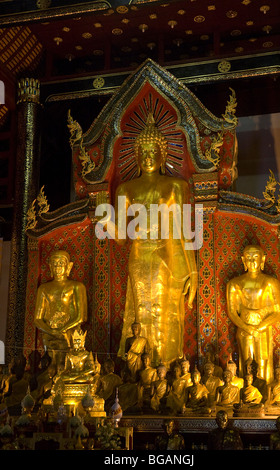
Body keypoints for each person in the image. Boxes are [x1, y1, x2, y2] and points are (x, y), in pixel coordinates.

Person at [100, 113, 198, 367]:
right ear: (135, 155)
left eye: (153, 151)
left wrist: (193, 271)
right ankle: (140, 367)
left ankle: (164, 366)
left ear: (163, 154)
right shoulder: (126, 189)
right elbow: (122, 238)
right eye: (142, 152)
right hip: (140, 253)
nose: (147, 157)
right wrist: (104, 220)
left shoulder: (175, 186)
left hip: (168, 254)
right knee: (142, 311)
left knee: (165, 311)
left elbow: (183, 230)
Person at [226, 244, 280, 383]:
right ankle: (249, 392)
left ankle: (265, 392)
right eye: (248, 257)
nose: (252, 261)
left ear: (263, 259)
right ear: (243, 260)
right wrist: (247, 327)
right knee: (247, 361)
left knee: (263, 362)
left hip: (263, 328)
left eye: (256, 257)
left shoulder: (270, 282)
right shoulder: (234, 284)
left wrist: (260, 327)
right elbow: (232, 312)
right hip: (245, 328)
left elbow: (278, 312)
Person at [34, 250, 88, 367]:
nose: (57, 267)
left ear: (68, 266)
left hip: (70, 332)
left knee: (68, 362)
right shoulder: (43, 288)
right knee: (51, 362)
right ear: (50, 267)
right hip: (50, 333)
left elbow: (81, 317)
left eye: (61, 263)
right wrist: (52, 331)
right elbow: (37, 319)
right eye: (55, 263)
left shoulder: (77, 286)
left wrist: (63, 329)